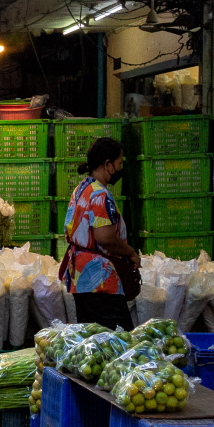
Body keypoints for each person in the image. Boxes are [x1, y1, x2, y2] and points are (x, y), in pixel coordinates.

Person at [59, 137, 137, 328]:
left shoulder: (81, 188)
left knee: (93, 340)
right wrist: (130, 252)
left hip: (81, 276)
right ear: (108, 164)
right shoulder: (101, 194)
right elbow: (105, 237)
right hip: (100, 280)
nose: (121, 168)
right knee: (118, 341)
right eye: (119, 163)